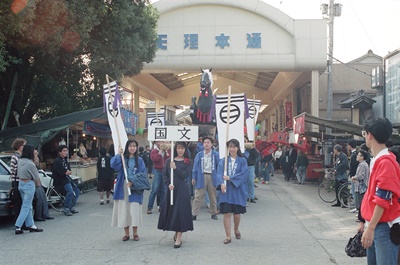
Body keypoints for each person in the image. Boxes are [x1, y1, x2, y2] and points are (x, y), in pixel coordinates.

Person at [359, 117, 400, 264]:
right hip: (377, 224)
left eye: (364, 133)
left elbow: (383, 199)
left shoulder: (385, 163)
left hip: (383, 227)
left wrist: (371, 227)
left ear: (369, 135)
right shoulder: (379, 160)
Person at [158, 141, 193, 248]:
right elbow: (164, 174)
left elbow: (185, 175)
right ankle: (176, 231)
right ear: (175, 149)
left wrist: (175, 168)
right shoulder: (169, 160)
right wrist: (168, 184)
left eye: (182, 148)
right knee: (173, 212)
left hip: (182, 190)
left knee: (180, 212)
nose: (180, 150)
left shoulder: (188, 161)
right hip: (171, 189)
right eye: (178, 148)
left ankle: (179, 238)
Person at [111, 140, 147, 241]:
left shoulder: (139, 160)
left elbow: (143, 174)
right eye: (130, 146)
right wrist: (119, 154)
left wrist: (133, 181)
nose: (132, 148)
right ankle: (126, 233)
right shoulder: (123, 158)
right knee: (124, 210)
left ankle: (135, 233)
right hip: (123, 187)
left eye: (134, 146)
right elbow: (113, 165)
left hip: (135, 188)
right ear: (127, 147)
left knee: (134, 210)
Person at [217, 139, 248, 244]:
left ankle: (236, 229)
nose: (232, 149)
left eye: (234, 147)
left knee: (236, 214)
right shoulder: (224, 160)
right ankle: (228, 236)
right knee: (226, 213)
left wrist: (230, 178)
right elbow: (219, 173)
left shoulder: (242, 161)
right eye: (230, 147)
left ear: (237, 148)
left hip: (237, 190)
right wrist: (221, 182)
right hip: (226, 190)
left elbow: (244, 174)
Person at [15, 144, 43, 234]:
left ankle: (31, 224)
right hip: (29, 184)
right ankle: (18, 226)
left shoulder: (20, 161)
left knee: (28, 205)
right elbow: (36, 177)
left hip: (21, 183)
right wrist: (39, 186)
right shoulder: (31, 164)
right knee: (26, 206)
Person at [192, 136, 220, 220]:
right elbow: (195, 167)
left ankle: (213, 213)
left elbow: (219, 166)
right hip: (201, 176)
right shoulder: (199, 154)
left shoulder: (215, 154)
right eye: (205, 142)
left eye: (208, 142)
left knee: (213, 196)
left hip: (212, 176)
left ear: (211, 144)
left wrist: (219, 178)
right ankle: (194, 213)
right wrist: (194, 177)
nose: (206, 144)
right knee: (198, 196)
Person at [52, 145, 80, 216]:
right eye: (64, 151)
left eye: (66, 151)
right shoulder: (57, 161)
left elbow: (69, 170)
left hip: (67, 178)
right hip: (61, 179)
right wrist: (66, 172)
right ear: (60, 152)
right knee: (70, 192)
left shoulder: (65, 160)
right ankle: (66, 208)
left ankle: (71, 207)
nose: (66, 152)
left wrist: (67, 172)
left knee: (77, 191)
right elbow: (62, 172)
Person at [147, 141, 170, 214]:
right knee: (155, 189)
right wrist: (160, 152)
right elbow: (154, 160)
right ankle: (149, 207)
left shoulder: (168, 150)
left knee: (164, 190)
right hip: (157, 171)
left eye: (162, 142)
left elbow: (169, 159)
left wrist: (166, 152)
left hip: (165, 171)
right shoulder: (154, 151)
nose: (160, 143)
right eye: (158, 142)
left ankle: (161, 206)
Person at [9, 138, 26, 227]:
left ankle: (23, 222)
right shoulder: (15, 157)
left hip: (22, 181)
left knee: (24, 203)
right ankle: (19, 223)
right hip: (17, 182)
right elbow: (14, 170)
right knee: (18, 203)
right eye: (24, 145)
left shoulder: (22, 156)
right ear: (19, 146)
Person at [33, 149, 54, 221]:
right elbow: (36, 164)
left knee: (43, 198)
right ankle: (38, 215)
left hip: (38, 181)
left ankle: (45, 214)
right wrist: (35, 157)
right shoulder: (30, 161)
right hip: (34, 182)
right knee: (39, 198)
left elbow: (37, 164)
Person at [351, 149, 369, 215]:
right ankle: (360, 214)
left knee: (360, 201)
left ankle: (361, 215)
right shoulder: (363, 164)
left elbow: (361, 176)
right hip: (362, 185)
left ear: (362, 157)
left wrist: (354, 177)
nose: (357, 156)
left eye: (358, 155)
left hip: (361, 186)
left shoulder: (362, 165)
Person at [348, 139, 359, 213]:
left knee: (355, 191)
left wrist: (352, 175)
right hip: (355, 175)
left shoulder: (354, 154)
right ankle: (357, 207)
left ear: (350, 146)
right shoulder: (356, 154)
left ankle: (357, 207)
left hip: (354, 176)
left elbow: (353, 166)